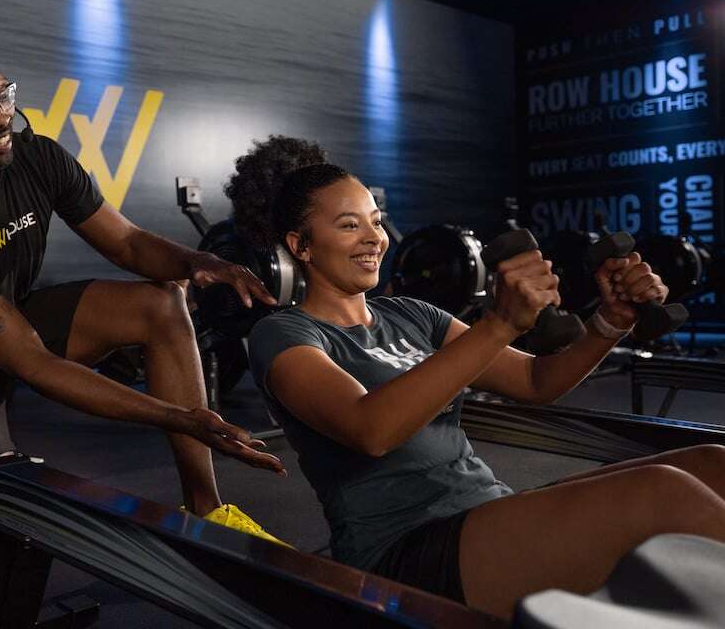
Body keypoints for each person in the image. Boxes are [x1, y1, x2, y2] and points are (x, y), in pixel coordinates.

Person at [232, 136, 725, 620]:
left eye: (376, 222)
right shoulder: (284, 334)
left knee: (711, 462)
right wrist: (499, 323)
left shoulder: (412, 315)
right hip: (405, 550)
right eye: (348, 225)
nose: (373, 239)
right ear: (302, 245)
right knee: (664, 493)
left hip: (486, 510)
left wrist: (609, 323)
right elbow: (371, 430)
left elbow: (535, 380)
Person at [0, 35, 286, 557]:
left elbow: (127, 242)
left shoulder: (38, 158)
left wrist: (200, 262)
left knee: (162, 302)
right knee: (0, 551)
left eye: (3, 94)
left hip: (15, 320)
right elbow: (33, 363)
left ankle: (208, 510)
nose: (1, 117)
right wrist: (181, 416)